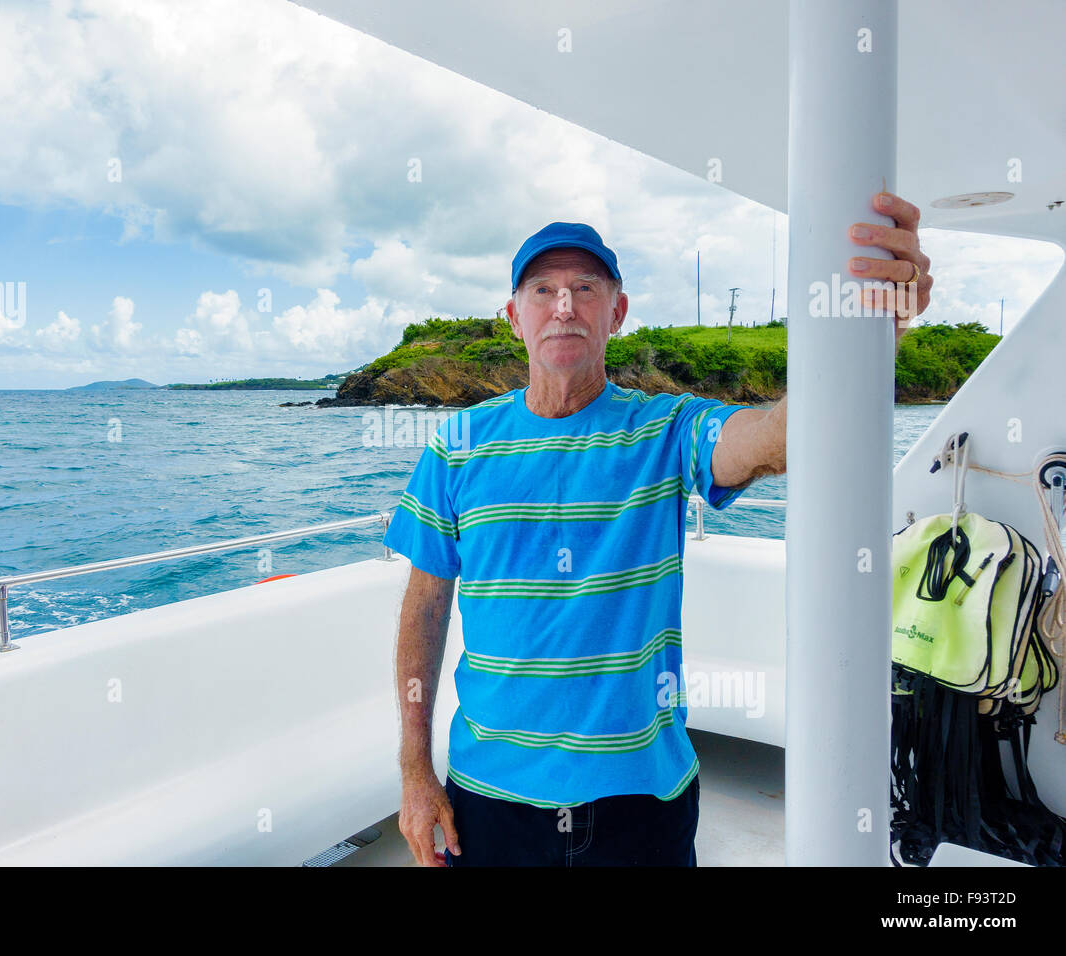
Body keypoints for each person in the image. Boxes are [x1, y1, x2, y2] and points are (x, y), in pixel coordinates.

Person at [385, 193, 933, 866]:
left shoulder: (666, 428)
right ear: (514, 316)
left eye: (585, 288)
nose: (564, 306)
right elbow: (426, 605)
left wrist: (874, 330)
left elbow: (776, 437)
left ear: (616, 312)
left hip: (641, 804)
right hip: (489, 799)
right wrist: (415, 770)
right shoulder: (457, 443)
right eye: (543, 289)